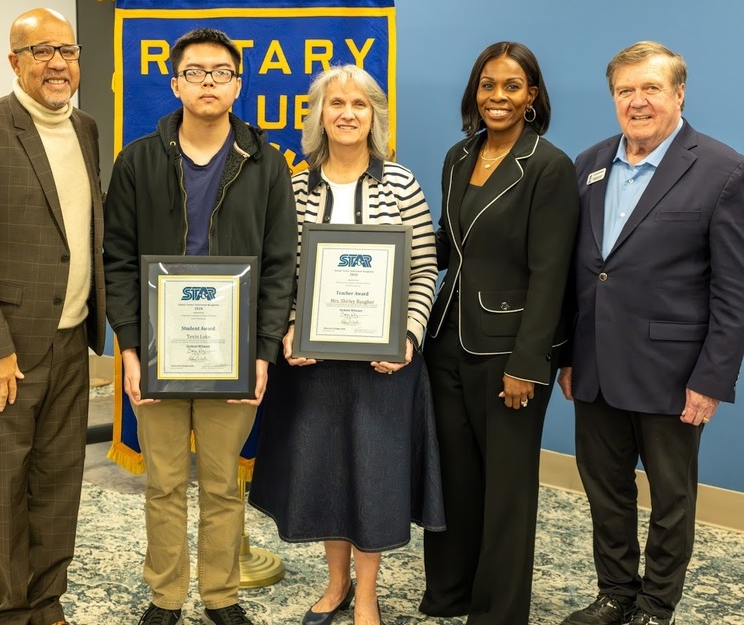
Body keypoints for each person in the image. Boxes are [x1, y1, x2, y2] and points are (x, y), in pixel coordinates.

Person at [102, 28, 296, 625]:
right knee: (162, 484)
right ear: (174, 82)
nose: (207, 82)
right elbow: (118, 259)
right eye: (195, 72)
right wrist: (130, 349)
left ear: (238, 85)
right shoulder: (137, 160)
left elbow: (280, 265)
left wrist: (261, 353)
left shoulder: (265, 164)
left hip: (232, 352)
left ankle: (220, 595)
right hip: (158, 352)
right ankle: (165, 596)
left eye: (220, 72)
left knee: (221, 484)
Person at [248, 64, 445, 625]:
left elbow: (424, 269)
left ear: (374, 116)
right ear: (319, 116)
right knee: (327, 474)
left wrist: (407, 334)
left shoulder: (401, 183)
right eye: (336, 103)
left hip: (385, 363)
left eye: (359, 104)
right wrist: (290, 327)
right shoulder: (294, 184)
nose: (347, 114)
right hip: (313, 363)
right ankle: (336, 586)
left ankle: (366, 593)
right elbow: (279, 271)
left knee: (373, 477)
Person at [557, 41, 744, 625]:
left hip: (673, 373)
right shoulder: (588, 164)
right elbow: (578, 272)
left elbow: (733, 290)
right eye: (624, 91)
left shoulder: (722, 169)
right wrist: (566, 355)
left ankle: (656, 605)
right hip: (594, 368)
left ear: (678, 93)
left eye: (651, 88)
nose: (637, 102)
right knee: (605, 491)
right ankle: (615, 591)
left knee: (671, 499)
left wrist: (711, 378)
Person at [0, 8, 105, 625]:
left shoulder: (86, 128)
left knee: (60, 481)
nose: (58, 63)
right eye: (41, 51)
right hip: (3, 349)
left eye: (67, 50)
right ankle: (8, 613)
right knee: (6, 489)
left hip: (69, 341)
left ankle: (47, 602)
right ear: (15, 62)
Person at [419, 42, 579, 625]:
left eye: (512, 87)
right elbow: (446, 242)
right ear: (475, 91)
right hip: (446, 344)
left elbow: (551, 275)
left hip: (507, 351)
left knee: (507, 493)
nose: (498, 97)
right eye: (488, 85)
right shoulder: (458, 157)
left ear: (532, 96)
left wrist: (527, 363)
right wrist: (381, 249)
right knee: (455, 483)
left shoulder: (548, 167)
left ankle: (498, 612)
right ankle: (451, 593)